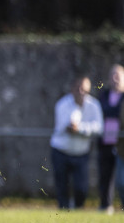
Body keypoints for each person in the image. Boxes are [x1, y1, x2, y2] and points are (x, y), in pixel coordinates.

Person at [50, 74, 103, 209]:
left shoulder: (94, 105)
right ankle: (63, 212)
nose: (81, 92)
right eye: (78, 88)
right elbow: (62, 126)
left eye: (84, 89)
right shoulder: (62, 104)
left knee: (81, 187)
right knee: (62, 186)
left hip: (81, 152)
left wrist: (80, 129)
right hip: (61, 151)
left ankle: (78, 208)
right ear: (72, 88)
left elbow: (99, 127)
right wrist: (71, 127)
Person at [96, 64, 124, 214]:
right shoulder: (104, 95)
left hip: (121, 144)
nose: (115, 79)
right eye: (112, 75)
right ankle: (105, 205)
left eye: (118, 76)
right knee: (105, 175)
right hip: (106, 141)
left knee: (121, 179)